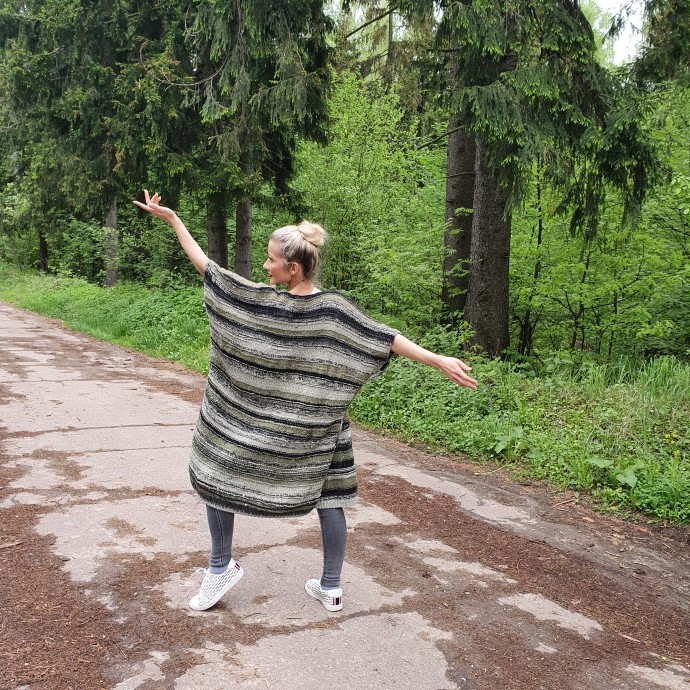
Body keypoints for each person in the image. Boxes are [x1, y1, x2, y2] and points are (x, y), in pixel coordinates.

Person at [133, 190, 477, 613]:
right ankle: (323, 585)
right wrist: (173, 221)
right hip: (318, 427)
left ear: (292, 267)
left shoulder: (275, 304)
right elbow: (383, 337)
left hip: (309, 426)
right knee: (326, 494)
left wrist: (437, 358)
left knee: (220, 469)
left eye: (271, 259)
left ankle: (225, 567)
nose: (264, 265)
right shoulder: (332, 311)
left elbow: (383, 337)